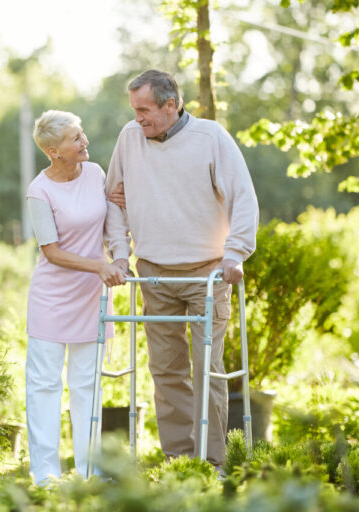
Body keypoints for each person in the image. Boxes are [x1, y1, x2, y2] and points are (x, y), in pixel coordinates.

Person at [104, 70, 259, 470]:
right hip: (154, 271)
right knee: (166, 370)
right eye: (134, 110)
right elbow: (113, 200)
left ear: (171, 105)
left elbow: (243, 197)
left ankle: (212, 463)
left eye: (145, 110)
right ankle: (179, 462)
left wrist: (235, 254)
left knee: (207, 368)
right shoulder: (129, 138)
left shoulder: (210, 138)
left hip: (207, 272)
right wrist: (120, 254)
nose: (138, 118)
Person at [25, 110, 125, 485]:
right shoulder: (40, 190)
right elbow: (51, 251)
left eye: (81, 134)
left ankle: (90, 472)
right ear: (53, 150)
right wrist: (100, 267)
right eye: (74, 138)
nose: (84, 141)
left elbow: (111, 219)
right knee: (45, 386)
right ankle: (45, 475)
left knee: (87, 385)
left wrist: (117, 256)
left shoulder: (96, 173)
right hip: (51, 298)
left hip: (90, 297)